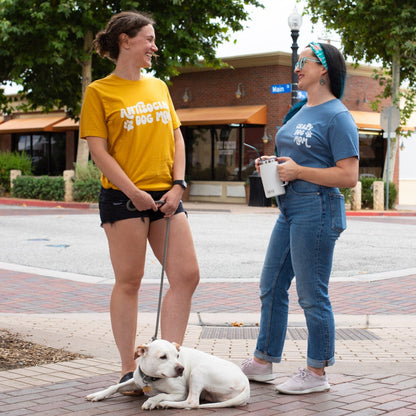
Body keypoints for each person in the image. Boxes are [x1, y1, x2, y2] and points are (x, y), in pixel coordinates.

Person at [79, 10, 200, 390]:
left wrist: (178, 184)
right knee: (130, 280)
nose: (154, 46)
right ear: (125, 40)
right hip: (123, 200)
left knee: (187, 275)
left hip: (167, 196)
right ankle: (129, 368)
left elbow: (177, 137)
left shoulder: (159, 86)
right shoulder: (99, 91)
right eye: (148, 39)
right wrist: (134, 192)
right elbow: (99, 151)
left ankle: (170, 363)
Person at [241, 42, 359, 394]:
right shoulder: (298, 110)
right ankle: (263, 361)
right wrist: (274, 165)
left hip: (318, 208)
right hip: (290, 207)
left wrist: (299, 171)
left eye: (303, 62)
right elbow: (291, 160)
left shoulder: (338, 116)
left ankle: (316, 371)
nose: (296, 68)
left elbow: (348, 176)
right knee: (271, 285)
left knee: (311, 293)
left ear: (323, 68)